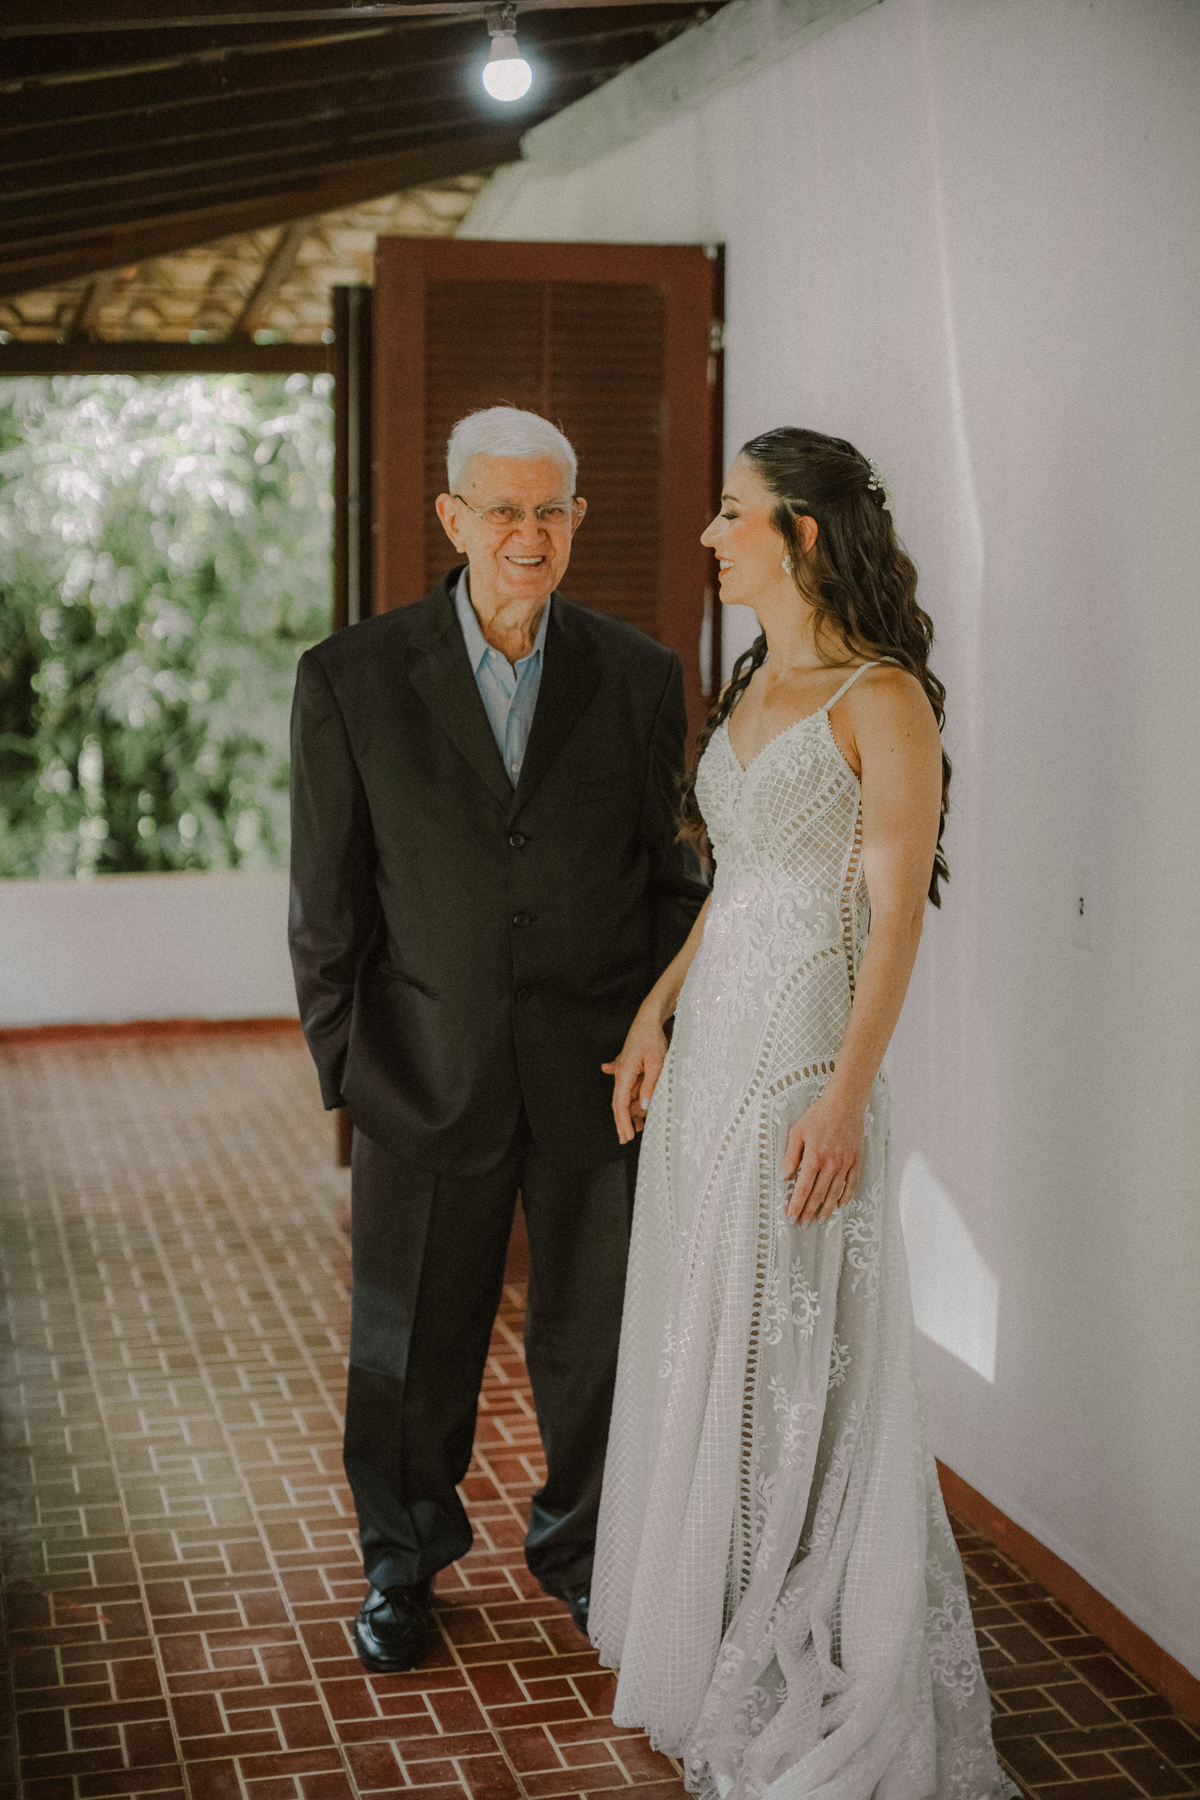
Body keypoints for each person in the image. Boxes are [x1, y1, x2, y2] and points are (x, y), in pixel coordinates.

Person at [594, 429, 1015, 1799]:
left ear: (803, 534)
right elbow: (741, 887)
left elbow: (894, 926)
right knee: (701, 1334)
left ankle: (803, 1626)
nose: (709, 536)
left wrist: (843, 1100)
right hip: (709, 1065)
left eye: (735, 513)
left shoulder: (881, 700)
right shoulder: (752, 683)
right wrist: (657, 1009)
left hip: (797, 1076)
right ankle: (713, 1614)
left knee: (789, 1356)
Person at [288, 406, 707, 1674]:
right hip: (423, 1072)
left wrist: (661, 1032)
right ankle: (402, 1566)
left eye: (551, 511)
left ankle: (586, 1561)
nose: (529, 535)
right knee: (408, 1347)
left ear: (578, 521)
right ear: (452, 518)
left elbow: (672, 880)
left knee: (597, 1349)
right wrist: (352, 1070)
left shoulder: (639, 676)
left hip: (599, 1076)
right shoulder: (351, 677)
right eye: (503, 510)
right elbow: (326, 903)